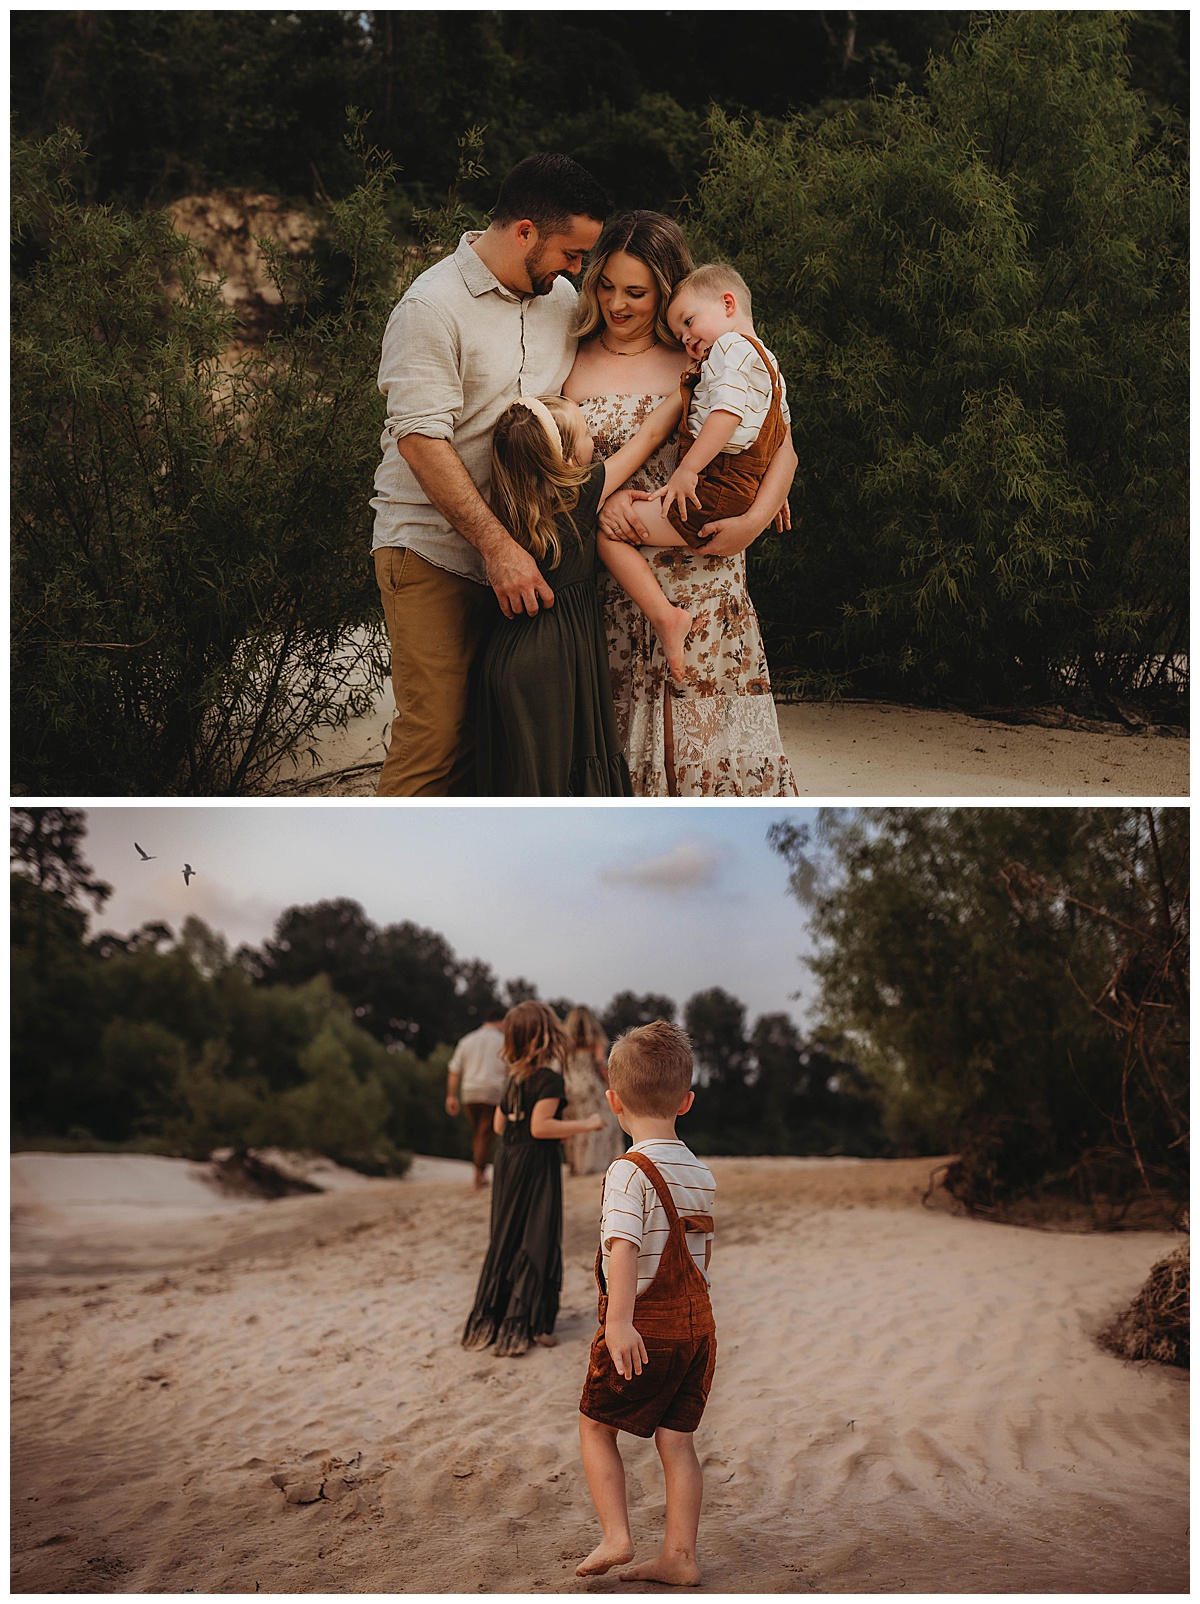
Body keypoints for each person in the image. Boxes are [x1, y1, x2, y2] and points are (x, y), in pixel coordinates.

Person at [371, 153, 608, 796]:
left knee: (495, 736)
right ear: (525, 232)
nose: (578, 271)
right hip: (433, 552)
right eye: (571, 253)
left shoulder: (560, 299)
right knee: (436, 737)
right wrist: (497, 547)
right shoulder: (430, 307)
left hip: (530, 555)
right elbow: (421, 441)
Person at [562, 211, 799, 797]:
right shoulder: (566, 356)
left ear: (666, 291)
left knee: (706, 732)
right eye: (606, 286)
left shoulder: (703, 354)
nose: (618, 305)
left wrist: (753, 520)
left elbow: (782, 444)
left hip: (704, 568)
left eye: (636, 292)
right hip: (614, 580)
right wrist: (600, 498)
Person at [474, 389, 686, 794]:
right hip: (552, 661)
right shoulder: (579, 492)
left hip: (503, 659)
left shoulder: (509, 508)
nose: (596, 440)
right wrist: (684, 389)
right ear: (568, 461)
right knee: (560, 783)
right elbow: (651, 436)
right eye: (587, 431)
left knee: (521, 781)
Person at [594, 262, 791, 678]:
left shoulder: (728, 350)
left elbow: (726, 412)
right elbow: (777, 435)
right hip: (739, 487)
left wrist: (687, 470)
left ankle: (666, 617)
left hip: (714, 488)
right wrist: (764, 492)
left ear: (727, 303)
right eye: (681, 334)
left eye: (688, 322)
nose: (687, 338)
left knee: (609, 532)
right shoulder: (769, 364)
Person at [576, 1021, 716, 1586]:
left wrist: (619, 1323)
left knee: (594, 1426)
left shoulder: (627, 1171)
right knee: (677, 1441)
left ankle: (616, 1535)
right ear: (686, 1101)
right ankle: (680, 1556)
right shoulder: (700, 1171)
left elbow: (623, 1247)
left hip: (645, 1324)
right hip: (698, 1328)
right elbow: (697, 1255)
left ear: (613, 1102)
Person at [462, 1002, 605, 1358]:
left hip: (508, 1162)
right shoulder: (549, 1079)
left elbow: (499, 1126)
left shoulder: (513, 1077)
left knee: (507, 1235)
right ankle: (531, 1324)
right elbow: (541, 1127)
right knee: (537, 1235)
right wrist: (583, 1125)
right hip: (535, 1165)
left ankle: (496, 1317)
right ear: (546, 1035)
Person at [445, 1009, 508, 1191]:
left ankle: (479, 1173)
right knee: (485, 1133)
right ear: (501, 1022)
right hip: (492, 1091)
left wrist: (451, 1095)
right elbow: (511, 1069)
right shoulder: (503, 1042)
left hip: (469, 1092)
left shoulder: (467, 1040)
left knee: (478, 1132)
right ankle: (478, 1176)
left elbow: (454, 1070)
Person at [562, 1006, 624, 1176]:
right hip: (590, 1086)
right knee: (601, 1122)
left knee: (574, 1125)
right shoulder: (595, 1041)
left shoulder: (565, 1044)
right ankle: (595, 1164)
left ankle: (575, 1165)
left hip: (570, 1086)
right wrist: (613, 1087)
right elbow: (600, 1065)